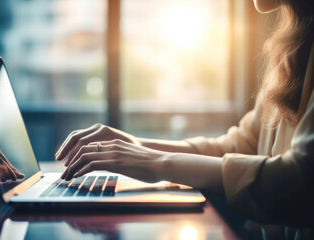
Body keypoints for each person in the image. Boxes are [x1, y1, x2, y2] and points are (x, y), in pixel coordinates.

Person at [56, 0, 314, 228]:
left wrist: (156, 163)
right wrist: (137, 145)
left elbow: (300, 182)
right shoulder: (291, 49)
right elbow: (243, 145)